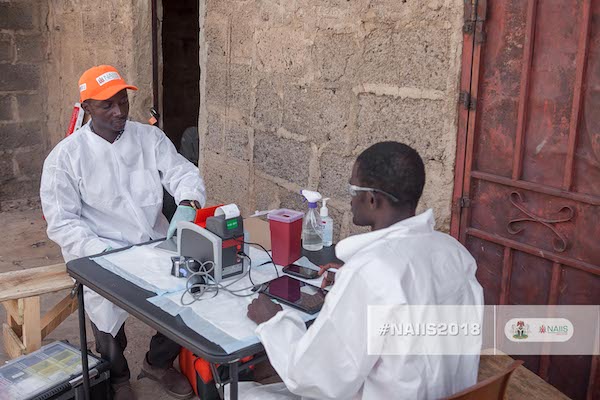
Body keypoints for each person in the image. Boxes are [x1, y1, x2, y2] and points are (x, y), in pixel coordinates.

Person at [245, 142, 484, 399]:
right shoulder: (454, 252)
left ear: (372, 199)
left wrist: (273, 322)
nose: (350, 199)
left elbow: (312, 376)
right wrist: (353, 282)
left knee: (239, 391)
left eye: (352, 189)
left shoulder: (370, 273)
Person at [40, 65, 205, 400]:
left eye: (123, 102)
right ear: (86, 108)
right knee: (106, 317)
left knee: (189, 295)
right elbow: (63, 222)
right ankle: (118, 379)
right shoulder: (66, 158)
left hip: (154, 241)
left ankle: (157, 364)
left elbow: (181, 172)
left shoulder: (149, 138)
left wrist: (187, 202)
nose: (119, 112)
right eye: (107, 106)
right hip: (100, 251)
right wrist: (103, 254)